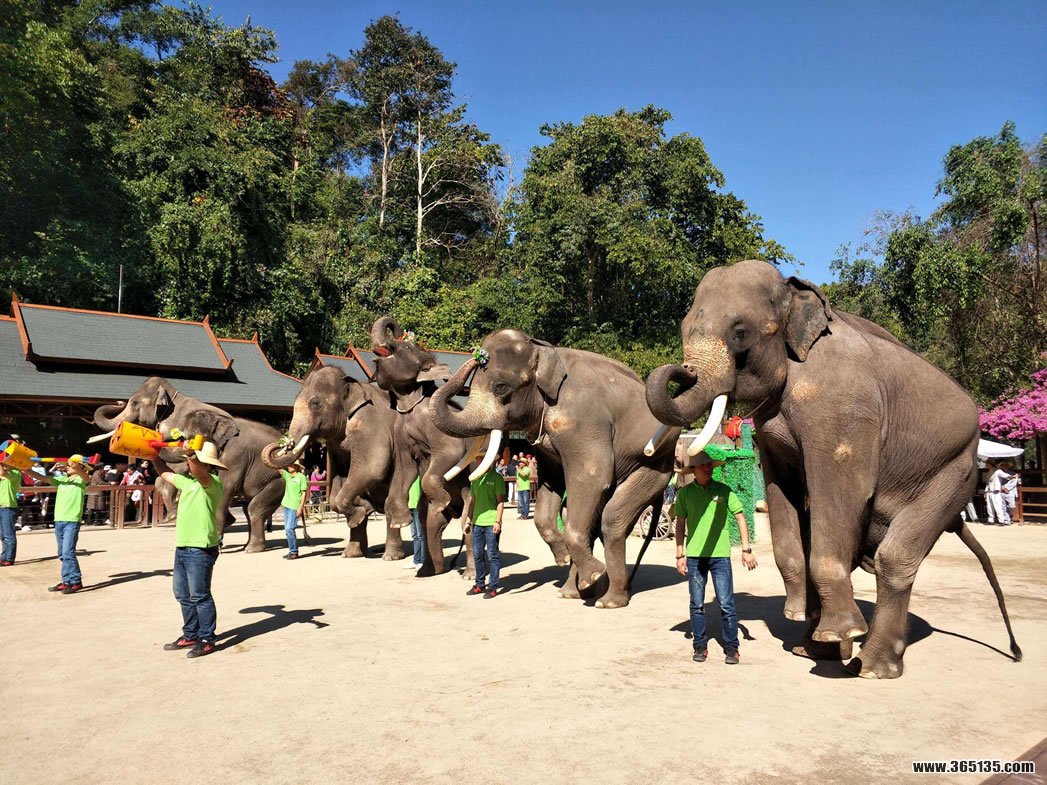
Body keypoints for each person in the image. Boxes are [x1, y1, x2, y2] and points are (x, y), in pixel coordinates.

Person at [674, 449, 757, 665]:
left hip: (720, 556)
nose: (708, 468)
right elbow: (680, 524)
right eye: (703, 465)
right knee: (697, 604)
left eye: (709, 465)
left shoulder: (724, 491)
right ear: (693, 470)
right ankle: (700, 645)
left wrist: (746, 550)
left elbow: (740, 517)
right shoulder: (685, 494)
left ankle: (732, 647)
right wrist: (680, 554)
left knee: (726, 604)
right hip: (695, 557)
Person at [152, 441, 226, 659]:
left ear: (207, 465)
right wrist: (152, 456)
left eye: (195, 461)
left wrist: (192, 455)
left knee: (200, 596)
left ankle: (207, 639)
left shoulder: (212, 483)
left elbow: (200, 472)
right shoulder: (188, 482)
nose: (189, 464)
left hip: (201, 548)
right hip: (183, 545)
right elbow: (165, 474)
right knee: (183, 594)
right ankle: (191, 634)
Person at [33, 455, 91, 593]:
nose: (68, 467)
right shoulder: (62, 479)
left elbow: (86, 477)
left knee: (68, 552)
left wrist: (77, 466)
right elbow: (41, 477)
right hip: (59, 520)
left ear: (80, 466)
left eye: (71, 465)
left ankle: (75, 581)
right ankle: (67, 581)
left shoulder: (82, 480)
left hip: (72, 520)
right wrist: (24, 468)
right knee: (61, 553)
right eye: (68, 465)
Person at [463, 456, 506, 599]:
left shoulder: (497, 478)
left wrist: (498, 521)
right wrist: (468, 521)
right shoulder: (475, 479)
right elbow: (472, 502)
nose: (479, 461)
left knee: (492, 555)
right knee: (477, 554)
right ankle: (479, 584)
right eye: (478, 458)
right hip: (477, 523)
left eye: (482, 458)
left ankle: (493, 586)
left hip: (491, 523)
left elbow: (500, 501)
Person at [280, 461, 308, 560]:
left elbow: (304, 493)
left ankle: (294, 552)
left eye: (291, 465)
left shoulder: (301, 477)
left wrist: (300, 507)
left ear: (296, 467)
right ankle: (292, 550)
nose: (289, 466)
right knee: (287, 530)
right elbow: (277, 467)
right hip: (286, 505)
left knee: (289, 529)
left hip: (295, 506)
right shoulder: (287, 476)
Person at [0, 460, 22, 566]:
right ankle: (3, 556)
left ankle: (9, 558)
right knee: (2, 535)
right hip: (1, 507)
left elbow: (3, 473)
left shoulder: (16, 473)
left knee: (9, 535)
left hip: (8, 507)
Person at [405, 475, 425, 570]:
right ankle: (416, 560)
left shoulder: (419, 475)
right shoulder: (407, 476)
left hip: (418, 508)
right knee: (415, 536)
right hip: (410, 507)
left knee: (421, 536)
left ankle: (423, 561)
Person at [984, 460, 1012, 525]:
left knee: (998, 506)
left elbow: (1004, 475)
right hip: (989, 490)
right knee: (989, 506)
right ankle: (991, 520)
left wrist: (1010, 476)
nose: (986, 465)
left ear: (990, 464)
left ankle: (1001, 520)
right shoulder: (988, 472)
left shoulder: (998, 471)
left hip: (995, 491)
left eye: (987, 464)